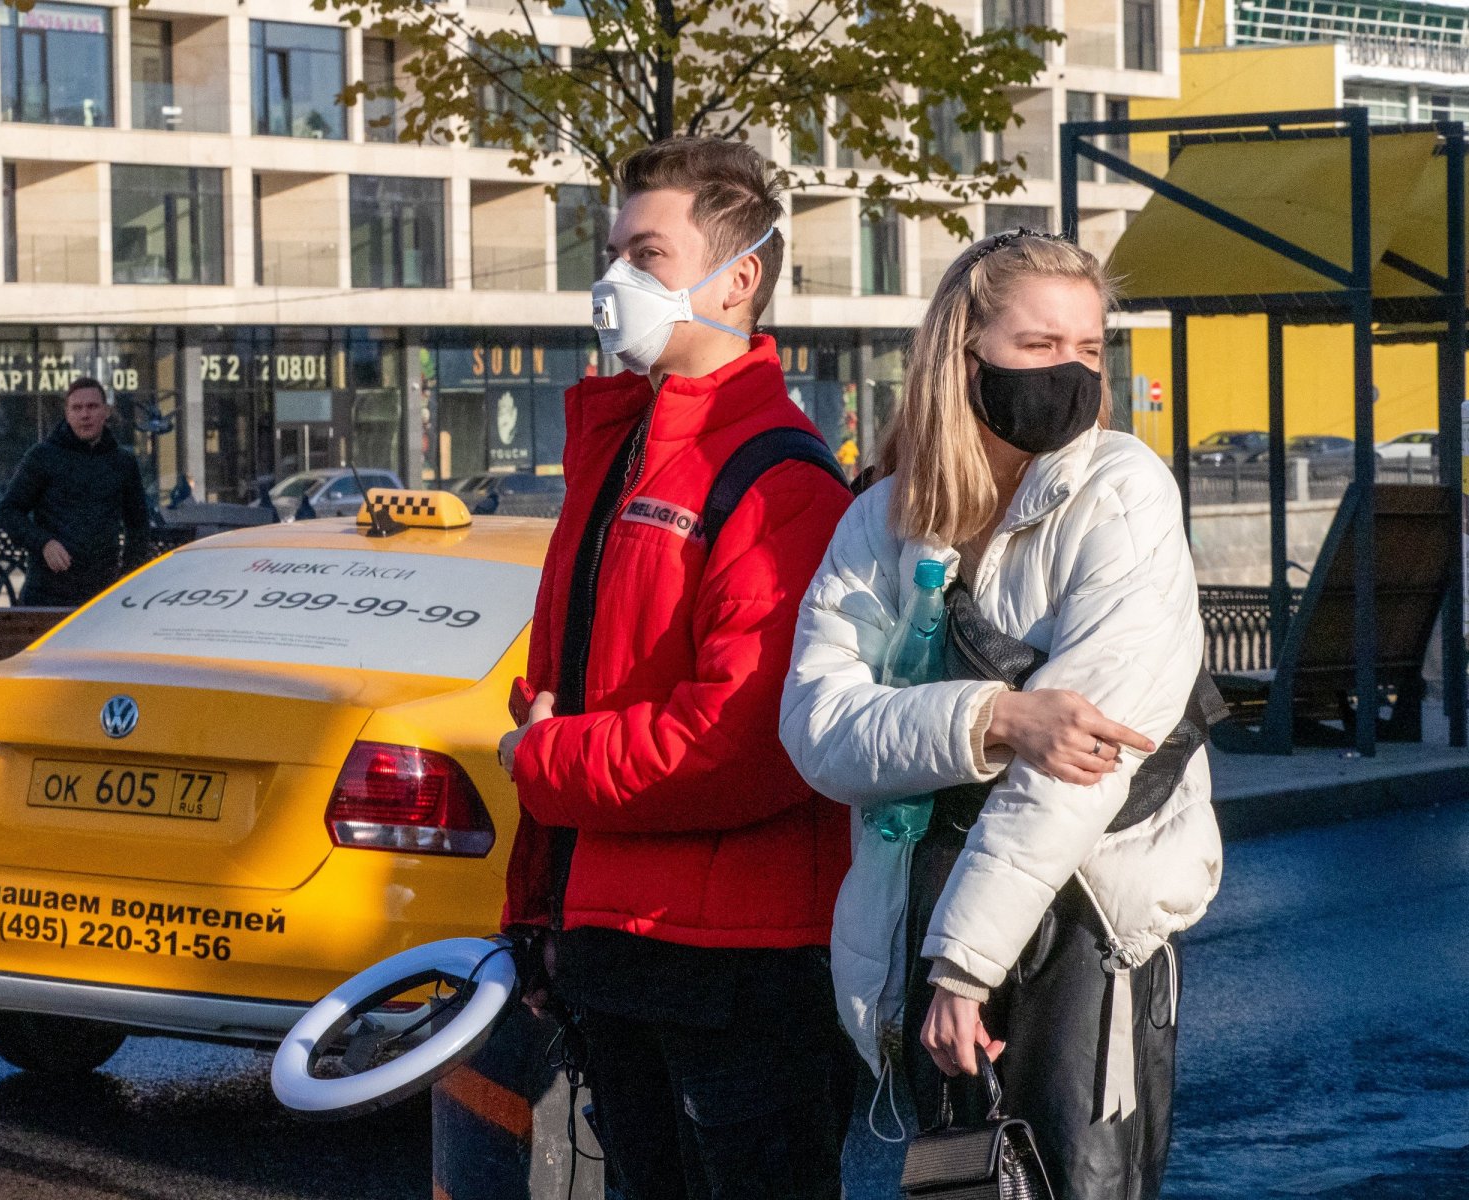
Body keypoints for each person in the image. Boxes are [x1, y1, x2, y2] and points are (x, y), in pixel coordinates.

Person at [780, 230, 1221, 1200]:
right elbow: (817, 727)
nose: (1069, 373)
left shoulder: (1123, 496)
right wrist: (997, 718)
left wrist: (964, 965)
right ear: (961, 353)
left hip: (1079, 935)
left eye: (1089, 351)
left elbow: (1082, 767)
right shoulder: (885, 520)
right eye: (1039, 347)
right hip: (909, 938)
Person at [495, 136, 856, 1200]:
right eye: (613, 252)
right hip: (617, 943)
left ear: (739, 277)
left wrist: (546, 758)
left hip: (735, 965)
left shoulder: (776, 476)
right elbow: (569, 678)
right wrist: (544, 908)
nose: (616, 281)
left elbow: (740, 742)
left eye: (648, 253)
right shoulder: (621, 450)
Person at [0, 377, 154, 607]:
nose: (85, 415)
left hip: (103, 596)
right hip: (47, 594)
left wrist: (129, 575)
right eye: (77, 408)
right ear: (67, 413)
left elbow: (138, 525)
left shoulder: (123, 463)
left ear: (106, 411)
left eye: (92, 407)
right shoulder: (42, 456)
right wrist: (44, 543)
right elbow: (8, 511)